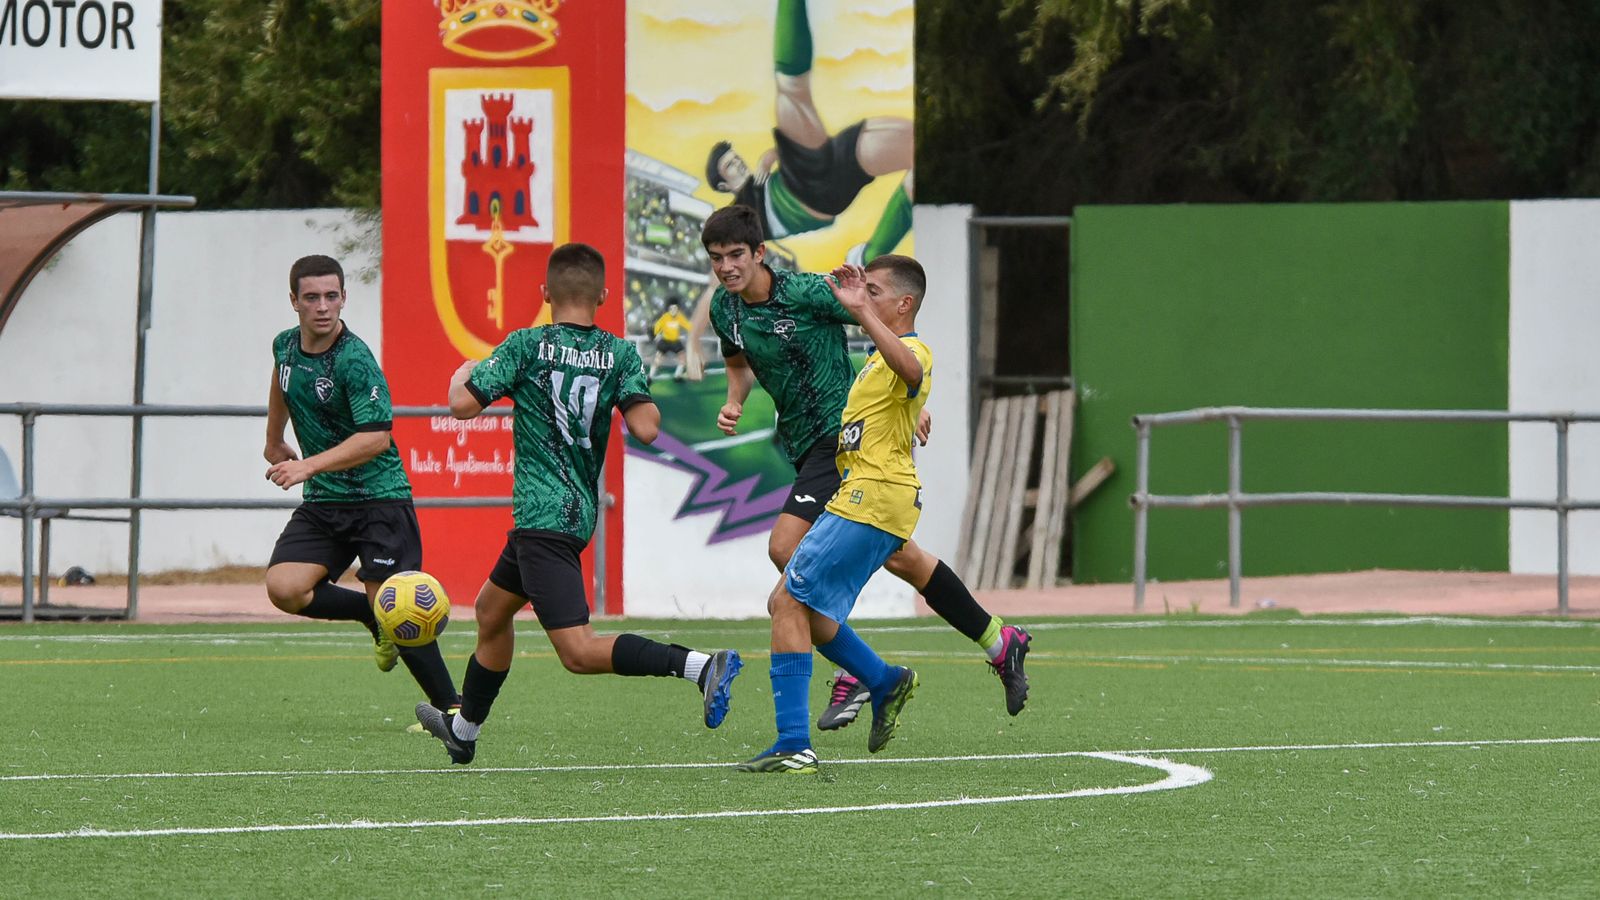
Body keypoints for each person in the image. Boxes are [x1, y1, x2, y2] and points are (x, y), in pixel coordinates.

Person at [699, 205, 1032, 730]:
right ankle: (998, 640)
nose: (726, 267)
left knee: (785, 550)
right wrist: (734, 399)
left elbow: (881, 324)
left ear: (759, 252)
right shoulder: (726, 309)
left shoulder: (808, 291)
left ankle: (856, 670)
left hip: (840, 438)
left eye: (735, 254)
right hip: (806, 446)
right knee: (902, 556)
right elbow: (738, 361)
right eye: (716, 258)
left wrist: (911, 398)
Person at [415, 242, 742, 765]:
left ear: (545, 293)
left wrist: (463, 373)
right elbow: (647, 429)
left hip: (542, 517)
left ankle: (701, 667)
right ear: (604, 295)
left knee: (579, 652)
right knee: (490, 611)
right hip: (573, 515)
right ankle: (463, 730)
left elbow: (461, 405)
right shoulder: (620, 354)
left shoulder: (527, 345)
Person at [737, 256, 931, 773]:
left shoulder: (912, 349)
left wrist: (860, 311)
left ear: (904, 304)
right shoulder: (873, 360)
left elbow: (912, 370)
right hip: (863, 496)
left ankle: (795, 744)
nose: (864, 297)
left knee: (787, 600)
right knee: (797, 605)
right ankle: (883, 680)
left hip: (874, 497)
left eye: (875, 291)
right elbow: (900, 391)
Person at [264, 254, 459, 717]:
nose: (322, 306)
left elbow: (376, 438)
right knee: (284, 587)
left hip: (379, 500)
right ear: (294, 301)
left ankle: (452, 710)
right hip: (326, 502)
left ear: (344, 298)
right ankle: (368, 616)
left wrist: (307, 466)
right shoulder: (285, 345)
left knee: (398, 606)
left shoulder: (355, 360)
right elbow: (282, 379)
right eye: (312, 297)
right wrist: (273, 438)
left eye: (331, 296)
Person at [705, 0, 912, 265]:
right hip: (805, 189)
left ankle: (870, 255)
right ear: (724, 186)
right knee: (792, 90)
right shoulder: (738, 212)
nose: (739, 163)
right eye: (731, 166)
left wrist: (768, 158)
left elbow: (777, 156)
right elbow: (724, 244)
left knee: (918, 150)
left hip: (828, 173)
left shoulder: (761, 181)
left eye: (735, 158)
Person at [649, 296, 691, 382]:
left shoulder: (680, 317)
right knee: (658, 360)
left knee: (683, 358)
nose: (673, 310)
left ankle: (677, 376)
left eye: (675, 308)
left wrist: (694, 330)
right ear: (668, 309)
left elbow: (688, 326)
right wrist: (655, 334)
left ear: (677, 309)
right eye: (671, 308)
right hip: (665, 341)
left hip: (675, 342)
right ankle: (649, 377)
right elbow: (657, 327)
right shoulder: (665, 317)